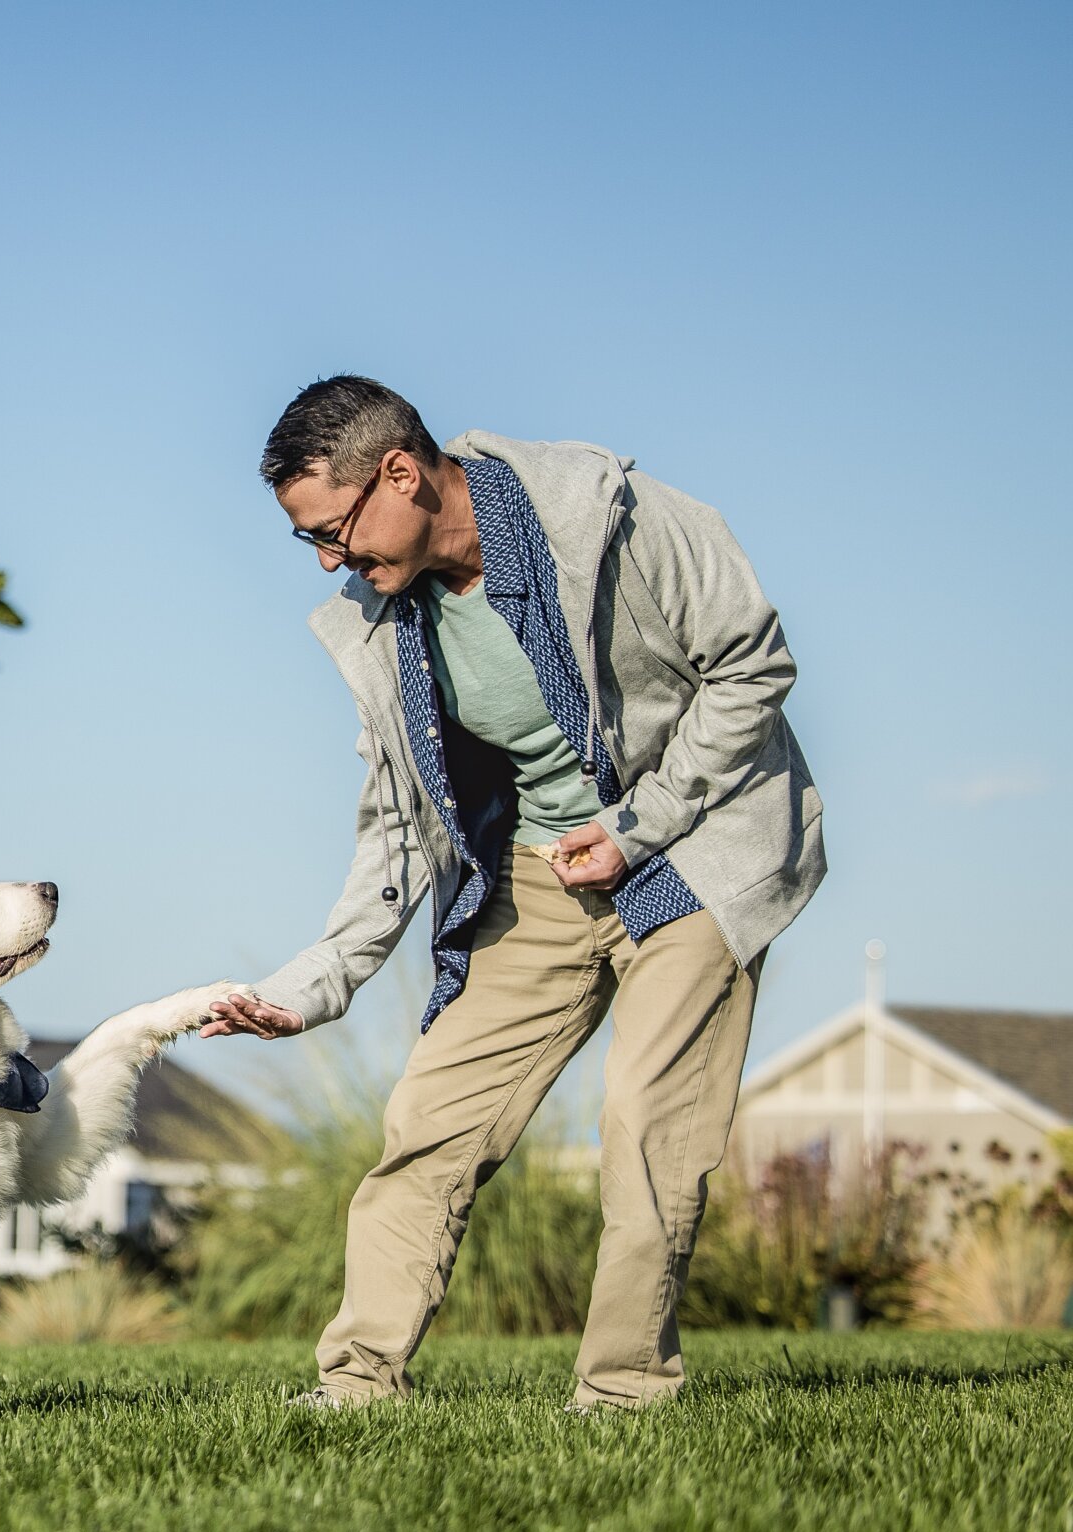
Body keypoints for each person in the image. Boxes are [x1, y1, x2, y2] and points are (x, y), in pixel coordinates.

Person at [206, 376, 823, 1412]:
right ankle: (356, 1384)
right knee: (430, 1121)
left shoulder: (609, 518)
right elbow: (398, 821)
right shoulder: (384, 624)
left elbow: (753, 667)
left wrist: (638, 827)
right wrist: (315, 983)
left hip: (692, 847)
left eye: (333, 531)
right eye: (307, 542)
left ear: (400, 473)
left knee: (643, 1125)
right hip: (538, 875)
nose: (328, 562)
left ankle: (624, 1394)